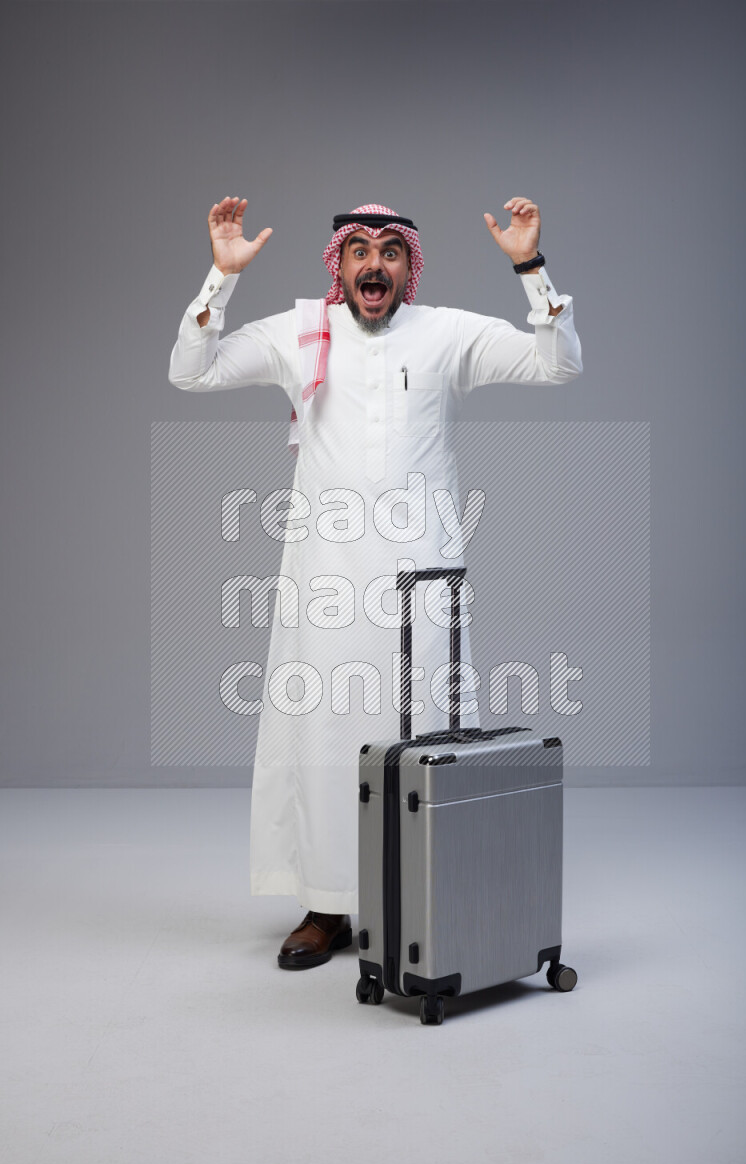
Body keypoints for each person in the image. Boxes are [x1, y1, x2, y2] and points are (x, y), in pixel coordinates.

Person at [169, 195, 582, 969]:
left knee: (425, 727)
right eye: (359, 249)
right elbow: (190, 371)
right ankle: (327, 906)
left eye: (390, 250)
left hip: (420, 578)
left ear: (407, 267)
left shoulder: (446, 334)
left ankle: (424, 895)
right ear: (340, 266)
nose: (374, 264)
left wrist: (530, 267)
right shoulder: (302, 331)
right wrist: (219, 281)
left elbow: (558, 362)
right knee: (325, 732)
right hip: (324, 578)